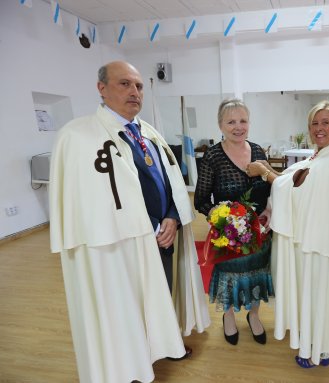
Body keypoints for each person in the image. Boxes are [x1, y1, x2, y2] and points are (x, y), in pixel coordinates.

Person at [49, 61, 210, 383]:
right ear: (102, 88)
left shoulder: (147, 132)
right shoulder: (78, 136)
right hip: (115, 242)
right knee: (125, 305)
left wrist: (172, 218)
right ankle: (130, 364)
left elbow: (168, 181)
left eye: (138, 86)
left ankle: (162, 346)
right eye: (124, 84)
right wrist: (150, 223)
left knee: (160, 295)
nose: (134, 92)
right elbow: (90, 199)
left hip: (163, 235)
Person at [247, 100, 329, 369]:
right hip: (315, 238)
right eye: (314, 123)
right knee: (315, 295)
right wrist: (272, 174)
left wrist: (264, 172)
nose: (319, 128)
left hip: (323, 243)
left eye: (326, 123)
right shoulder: (319, 155)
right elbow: (293, 179)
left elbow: (297, 188)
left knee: (322, 295)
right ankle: (318, 344)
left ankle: (321, 348)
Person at [194, 99, 274, 346]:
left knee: (256, 275)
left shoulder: (259, 151)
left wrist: (270, 209)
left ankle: (254, 315)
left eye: (243, 121)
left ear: (249, 123)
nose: (238, 127)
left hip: (259, 232)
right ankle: (228, 317)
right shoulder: (213, 157)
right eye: (231, 122)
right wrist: (223, 220)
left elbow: (269, 187)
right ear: (220, 124)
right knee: (229, 279)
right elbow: (200, 199)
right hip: (228, 235)